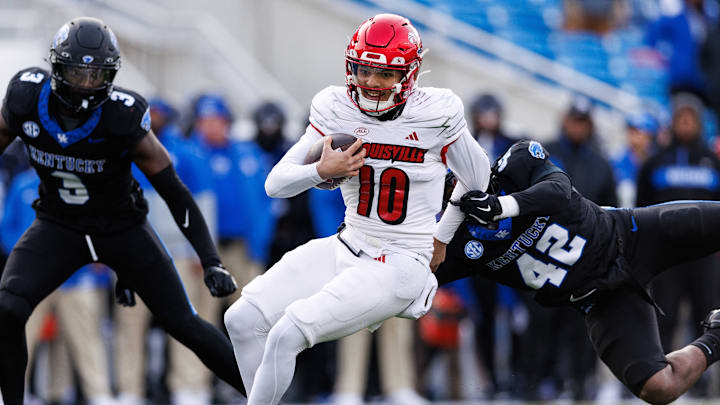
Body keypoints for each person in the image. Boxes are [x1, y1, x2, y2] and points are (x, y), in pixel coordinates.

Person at [223, 13, 491, 405]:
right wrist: (320, 170)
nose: (369, 82)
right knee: (241, 320)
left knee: (287, 334)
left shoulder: (436, 114)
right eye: (363, 69)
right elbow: (275, 183)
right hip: (347, 244)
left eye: (383, 74)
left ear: (409, 74)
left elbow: (478, 179)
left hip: (400, 262)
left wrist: (441, 236)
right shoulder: (336, 107)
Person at [0, 17, 245, 404]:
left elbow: (174, 191)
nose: (84, 83)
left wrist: (210, 260)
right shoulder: (25, 98)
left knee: (184, 323)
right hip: (58, 224)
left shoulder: (122, 116)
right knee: (8, 308)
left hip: (122, 228)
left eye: (95, 74)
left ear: (110, 75)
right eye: (77, 73)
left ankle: (264, 394)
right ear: (57, 69)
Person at [433, 139, 720, 405]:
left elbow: (558, 189)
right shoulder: (456, 247)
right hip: (600, 298)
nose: (460, 184)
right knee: (659, 387)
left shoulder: (518, 163)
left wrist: (501, 206)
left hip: (631, 236)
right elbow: (412, 283)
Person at [636, 93, 720, 387]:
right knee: (664, 315)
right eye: (680, 118)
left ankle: (702, 380)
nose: (685, 124)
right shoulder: (655, 163)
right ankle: (661, 374)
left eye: (690, 118)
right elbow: (640, 209)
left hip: (705, 255)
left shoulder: (713, 162)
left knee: (706, 315)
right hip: (667, 255)